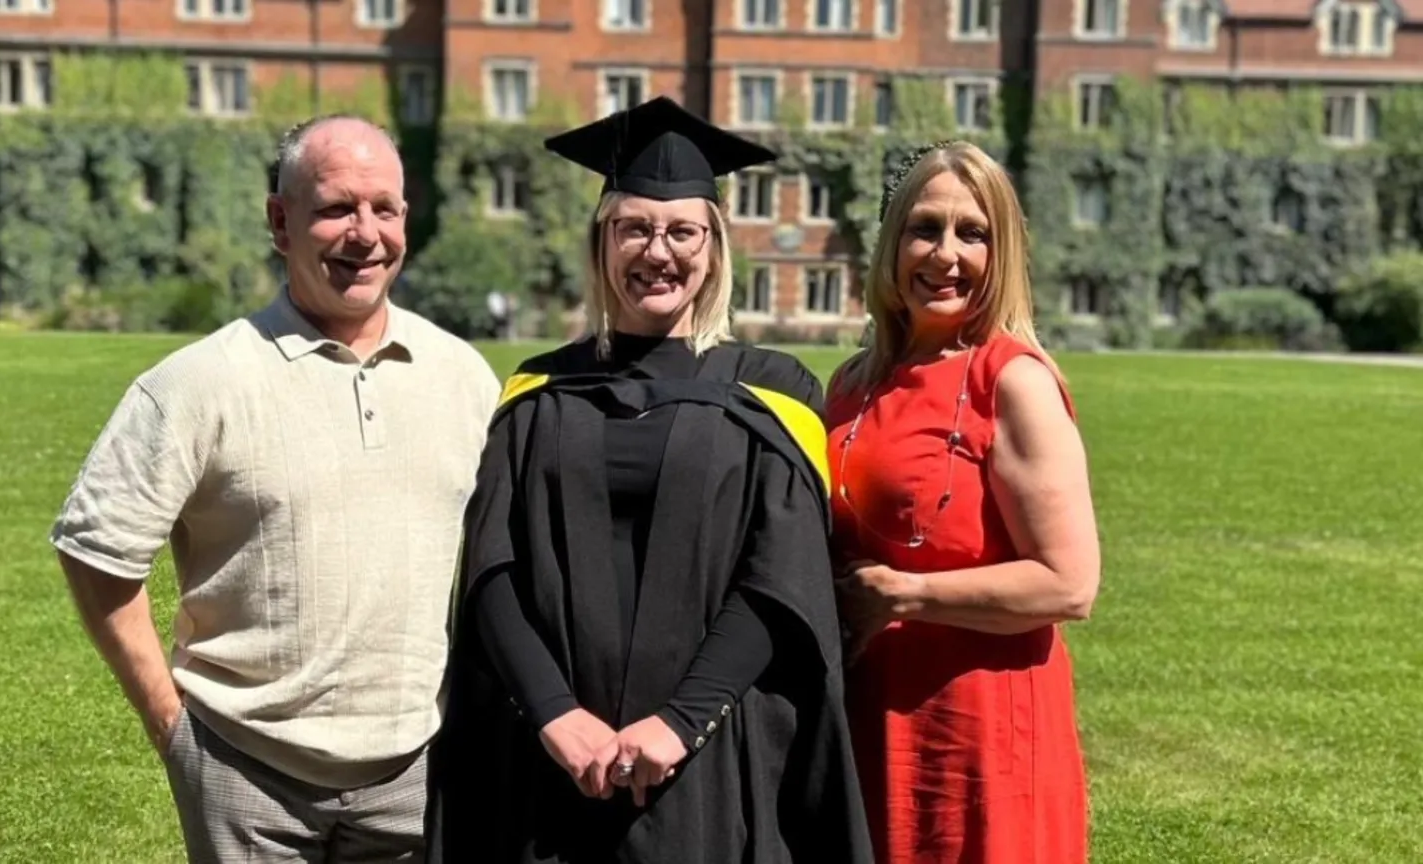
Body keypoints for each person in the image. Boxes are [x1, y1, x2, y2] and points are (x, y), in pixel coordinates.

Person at [424, 95, 876, 864]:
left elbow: (782, 577)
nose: (657, 252)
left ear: (714, 247)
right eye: (634, 227)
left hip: (710, 756)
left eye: (681, 231)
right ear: (601, 241)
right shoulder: (537, 393)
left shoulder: (772, 391)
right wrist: (556, 716)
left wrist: (681, 722)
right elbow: (493, 574)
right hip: (554, 765)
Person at [50, 115, 501, 862]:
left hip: (415, 771)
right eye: (336, 208)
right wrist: (171, 726)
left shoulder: (461, 378)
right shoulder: (199, 383)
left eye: (384, 209)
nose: (365, 234)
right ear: (279, 222)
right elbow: (96, 551)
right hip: (245, 772)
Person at [825, 139, 1101, 863]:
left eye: (972, 233)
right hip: (868, 713)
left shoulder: (1013, 382)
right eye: (925, 228)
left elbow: (1070, 584)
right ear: (892, 244)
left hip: (980, 732)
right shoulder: (852, 384)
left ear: (1000, 252)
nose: (945, 254)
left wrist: (907, 595)